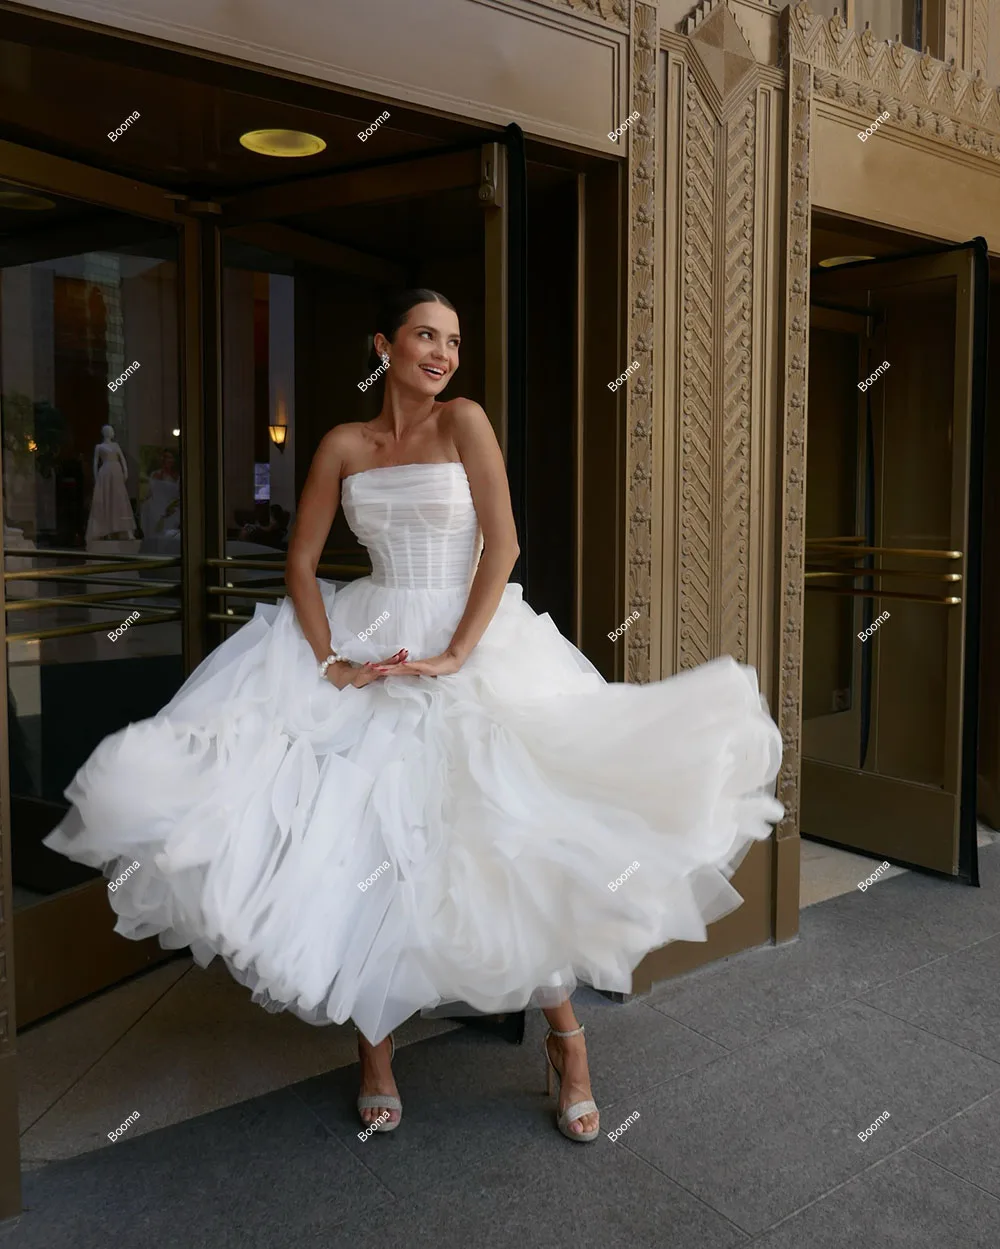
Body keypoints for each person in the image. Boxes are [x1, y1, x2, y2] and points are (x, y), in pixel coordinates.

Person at [43, 289, 783, 1144]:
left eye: (453, 341)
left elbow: (501, 547)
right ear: (383, 343)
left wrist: (458, 654)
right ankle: (376, 1052)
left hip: (472, 641)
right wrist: (329, 661)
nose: (441, 352)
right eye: (425, 336)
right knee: (364, 845)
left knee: (516, 834)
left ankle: (568, 1044)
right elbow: (302, 560)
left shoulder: (465, 420)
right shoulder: (343, 445)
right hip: (372, 633)